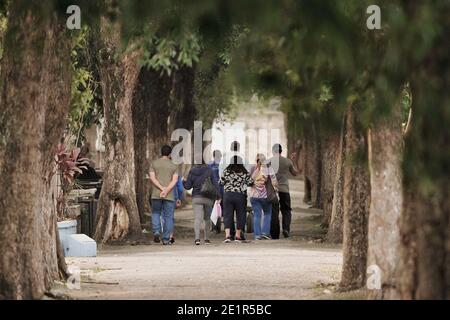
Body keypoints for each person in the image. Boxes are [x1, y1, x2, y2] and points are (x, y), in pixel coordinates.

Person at [183, 160, 219, 245]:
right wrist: (218, 196)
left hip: (196, 197)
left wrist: (184, 181)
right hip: (208, 198)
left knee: (197, 219)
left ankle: (197, 239)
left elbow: (188, 187)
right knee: (207, 219)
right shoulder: (209, 170)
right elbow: (215, 183)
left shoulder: (192, 171)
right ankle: (206, 239)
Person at [269, 143, 300, 239]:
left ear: (273, 151)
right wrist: (293, 161)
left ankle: (274, 233)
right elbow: (295, 173)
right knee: (286, 210)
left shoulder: (269, 161)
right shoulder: (287, 162)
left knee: (274, 211)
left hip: (273, 190)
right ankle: (286, 229)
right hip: (284, 190)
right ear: (281, 151)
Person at [149, 145, 179, 245]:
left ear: (161, 152)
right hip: (169, 196)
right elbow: (174, 181)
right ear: (170, 154)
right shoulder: (174, 166)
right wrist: (166, 190)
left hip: (156, 194)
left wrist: (161, 189)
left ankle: (157, 231)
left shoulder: (154, 164)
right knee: (168, 217)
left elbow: (152, 178)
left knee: (156, 213)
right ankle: (166, 239)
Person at [220, 156, 253, 243]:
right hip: (240, 196)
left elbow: (221, 182)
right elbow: (250, 182)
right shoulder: (244, 172)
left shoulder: (226, 171)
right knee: (241, 215)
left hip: (228, 195)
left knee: (227, 215)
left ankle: (227, 235)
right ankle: (238, 236)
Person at [249, 154, 278, 240]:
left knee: (257, 215)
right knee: (267, 213)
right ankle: (265, 233)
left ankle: (257, 235)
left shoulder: (253, 168)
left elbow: (249, 180)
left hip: (254, 196)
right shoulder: (269, 168)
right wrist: (276, 191)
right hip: (265, 196)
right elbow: (274, 181)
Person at [208, 150, 223, 234]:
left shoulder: (210, 165)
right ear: (220, 156)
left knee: (214, 208)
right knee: (220, 208)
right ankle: (218, 228)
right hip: (222, 189)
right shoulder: (224, 165)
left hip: (212, 190)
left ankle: (214, 228)